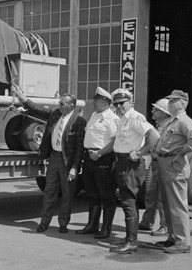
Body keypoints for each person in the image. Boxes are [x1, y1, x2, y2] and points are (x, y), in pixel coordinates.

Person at [12, 84, 86, 234]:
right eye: (59, 102)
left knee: (67, 194)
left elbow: (79, 148)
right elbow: (36, 109)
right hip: (54, 158)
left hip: (68, 162)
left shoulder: (79, 122)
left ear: (71, 106)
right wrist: (22, 98)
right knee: (49, 191)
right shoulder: (54, 115)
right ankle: (44, 222)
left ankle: (63, 224)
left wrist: (74, 168)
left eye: (62, 103)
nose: (59, 104)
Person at [107, 88, 160, 254]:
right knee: (126, 201)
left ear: (131, 102)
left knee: (129, 201)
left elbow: (154, 136)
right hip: (122, 162)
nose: (119, 106)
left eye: (122, 103)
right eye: (116, 104)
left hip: (131, 163)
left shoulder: (135, 117)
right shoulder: (123, 118)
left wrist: (140, 152)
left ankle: (131, 242)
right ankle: (130, 238)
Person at [153, 89, 192, 254]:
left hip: (174, 164)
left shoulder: (183, 121)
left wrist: (181, 154)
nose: (170, 103)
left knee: (177, 205)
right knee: (168, 204)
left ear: (182, 104)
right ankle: (173, 237)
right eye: (169, 100)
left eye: (173, 101)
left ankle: (183, 243)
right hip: (165, 162)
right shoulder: (172, 121)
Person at [76, 86, 120, 239]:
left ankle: (106, 228)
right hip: (89, 157)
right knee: (92, 193)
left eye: (97, 100)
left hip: (103, 158)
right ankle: (92, 225)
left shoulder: (112, 118)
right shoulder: (95, 114)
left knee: (106, 194)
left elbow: (115, 141)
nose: (93, 103)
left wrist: (100, 153)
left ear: (106, 102)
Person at [139, 98, 173, 236]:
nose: (152, 111)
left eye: (156, 110)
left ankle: (164, 226)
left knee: (162, 197)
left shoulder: (170, 127)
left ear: (164, 113)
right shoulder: (159, 126)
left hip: (163, 164)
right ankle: (147, 221)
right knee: (150, 193)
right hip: (154, 163)